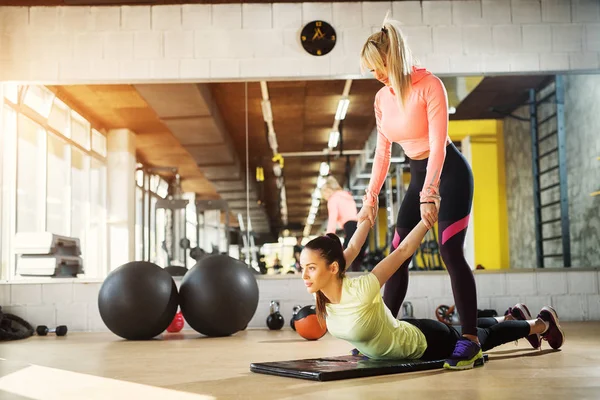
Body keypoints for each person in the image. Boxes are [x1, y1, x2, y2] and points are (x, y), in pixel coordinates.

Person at [357, 14, 481, 365]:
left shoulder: (431, 87)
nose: (376, 76)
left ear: (392, 58)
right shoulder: (382, 99)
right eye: (371, 71)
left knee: (449, 252)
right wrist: (369, 201)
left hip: (450, 173)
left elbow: (439, 146)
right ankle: (385, 334)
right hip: (417, 175)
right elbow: (382, 153)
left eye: (378, 67)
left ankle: (470, 338)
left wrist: (431, 192)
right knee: (397, 258)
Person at [299, 220, 564, 370]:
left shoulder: (362, 289)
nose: (305, 276)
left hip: (425, 343)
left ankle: (541, 323)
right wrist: (366, 213)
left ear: (332, 269)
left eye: (311, 268)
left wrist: (427, 221)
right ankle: (510, 316)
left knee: (482, 338)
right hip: (402, 332)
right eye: (303, 268)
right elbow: (351, 248)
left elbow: (402, 252)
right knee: (461, 328)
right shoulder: (321, 294)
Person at [321, 176, 367, 272]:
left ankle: (346, 277)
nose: (325, 198)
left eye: (324, 195)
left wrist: (328, 237)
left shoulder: (333, 199)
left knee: (346, 255)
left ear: (328, 190)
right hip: (360, 224)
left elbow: (332, 220)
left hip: (349, 226)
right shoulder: (347, 195)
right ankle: (356, 273)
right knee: (357, 253)